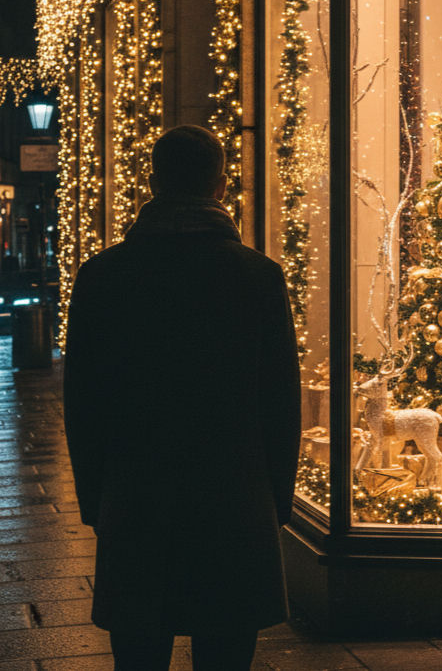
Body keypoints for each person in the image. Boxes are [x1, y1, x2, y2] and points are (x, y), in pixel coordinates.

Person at [64, 125, 301, 671]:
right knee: (226, 648)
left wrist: (95, 496)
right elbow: (280, 400)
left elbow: (84, 402)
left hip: (137, 491)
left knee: (139, 649)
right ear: (221, 187)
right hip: (233, 494)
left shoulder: (103, 277)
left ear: (154, 182)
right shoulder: (259, 277)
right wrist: (277, 497)